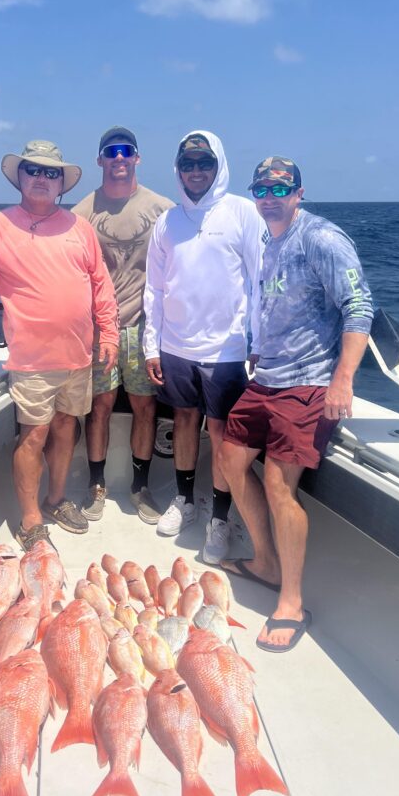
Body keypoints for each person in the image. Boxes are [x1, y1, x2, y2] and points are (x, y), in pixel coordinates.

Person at [220, 156, 374, 652]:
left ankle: (290, 602)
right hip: (266, 378)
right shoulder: (270, 240)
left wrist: (341, 380)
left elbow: (359, 306)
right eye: (262, 188)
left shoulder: (323, 239)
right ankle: (264, 560)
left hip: (308, 385)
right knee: (227, 458)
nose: (270, 195)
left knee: (277, 484)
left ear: (299, 192)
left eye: (281, 187)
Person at [0, 140, 119, 552]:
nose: (42, 178)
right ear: (19, 176)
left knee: (65, 429)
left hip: (79, 355)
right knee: (34, 436)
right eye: (33, 170)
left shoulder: (81, 229)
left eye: (51, 172)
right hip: (33, 360)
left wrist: (108, 333)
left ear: (62, 184)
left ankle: (56, 500)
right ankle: (31, 517)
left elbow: (100, 285)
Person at [143, 130, 265, 562]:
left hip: (227, 351)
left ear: (218, 166)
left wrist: (259, 341)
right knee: (184, 422)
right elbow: (154, 289)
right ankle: (185, 502)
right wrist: (150, 345)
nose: (196, 172)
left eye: (204, 163)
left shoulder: (243, 213)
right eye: (188, 164)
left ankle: (219, 519)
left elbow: (260, 281)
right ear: (178, 170)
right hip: (175, 346)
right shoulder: (167, 222)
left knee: (221, 432)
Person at [72, 126, 173, 523]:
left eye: (125, 151)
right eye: (110, 152)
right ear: (99, 160)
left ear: (137, 158)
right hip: (97, 327)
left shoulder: (163, 208)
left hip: (144, 327)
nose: (118, 158)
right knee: (99, 407)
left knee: (146, 407)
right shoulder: (80, 213)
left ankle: (140, 486)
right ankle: (97, 485)